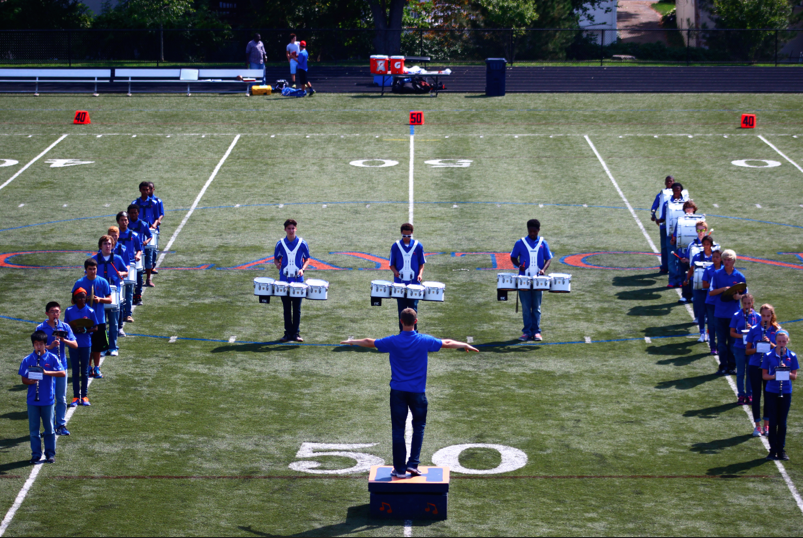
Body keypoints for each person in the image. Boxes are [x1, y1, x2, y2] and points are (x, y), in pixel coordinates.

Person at [341, 308, 478, 478]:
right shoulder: (423, 340)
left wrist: (352, 341)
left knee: (398, 430)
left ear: (400, 321)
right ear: (416, 321)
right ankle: (413, 464)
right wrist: (464, 344)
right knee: (418, 427)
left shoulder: (393, 341)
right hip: (418, 393)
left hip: (398, 392)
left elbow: (370, 341)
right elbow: (447, 343)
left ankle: (399, 469)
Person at [19, 330, 66, 464]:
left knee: (49, 429)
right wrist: (30, 381)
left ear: (45, 344)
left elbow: (62, 373)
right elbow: (24, 379)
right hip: (32, 400)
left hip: (47, 400)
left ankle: (50, 454)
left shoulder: (52, 358)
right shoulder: (27, 359)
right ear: (33, 345)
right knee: (34, 431)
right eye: (36, 344)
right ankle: (35, 454)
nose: (38, 347)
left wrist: (46, 372)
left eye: (41, 344)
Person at [36, 302, 77, 437]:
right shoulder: (41, 328)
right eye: (52, 311)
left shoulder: (64, 327)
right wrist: (49, 346)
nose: (55, 314)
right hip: (46, 368)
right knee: (48, 398)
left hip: (61, 368)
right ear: (47, 313)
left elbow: (75, 344)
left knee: (61, 397)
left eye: (57, 311)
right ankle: (49, 426)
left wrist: (63, 340)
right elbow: (36, 348)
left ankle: (60, 424)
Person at [509, 219, 553, 342]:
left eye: (535, 231)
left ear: (539, 230)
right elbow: (513, 257)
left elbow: (548, 259)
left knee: (537, 307)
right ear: (527, 230)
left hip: (539, 280)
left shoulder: (543, 243)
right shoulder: (520, 243)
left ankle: (536, 332)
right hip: (524, 279)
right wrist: (519, 265)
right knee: (526, 308)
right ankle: (526, 332)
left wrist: (543, 270)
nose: (532, 233)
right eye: (530, 231)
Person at [72, 258, 112, 381]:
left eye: (94, 269)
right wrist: (84, 300)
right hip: (85, 320)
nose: (92, 271)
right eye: (90, 269)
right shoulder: (79, 283)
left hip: (99, 319)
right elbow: (73, 300)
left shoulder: (102, 281)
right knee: (87, 345)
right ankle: (88, 367)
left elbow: (110, 299)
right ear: (86, 269)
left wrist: (99, 299)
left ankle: (97, 367)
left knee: (97, 347)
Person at [709, 249, 746, 376]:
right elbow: (711, 292)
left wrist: (738, 297)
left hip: (734, 315)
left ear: (734, 260)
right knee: (721, 342)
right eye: (724, 259)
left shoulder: (740, 276)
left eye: (729, 259)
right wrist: (723, 289)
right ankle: (723, 365)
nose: (727, 262)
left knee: (732, 342)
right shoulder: (717, 274)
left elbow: (745, 295)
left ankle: (732, 365)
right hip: (719, 313)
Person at [762, 330, 798, 461]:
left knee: (782, 423)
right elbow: (764, 375)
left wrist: (786, 371)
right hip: (771, 391)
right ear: (776, 341)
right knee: (772, 422)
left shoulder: (792, 356)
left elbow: (794, 376)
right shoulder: (768, 355)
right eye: (779, 341)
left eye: (784, 341)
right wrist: (775, 375)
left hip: (786, 391)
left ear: (787, 341)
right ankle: (772, 450)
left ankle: (781, 450)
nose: (781, 344)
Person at [746, 304, 781, 437]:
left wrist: (770, 344)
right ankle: (757, 426)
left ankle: (767, 425)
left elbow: (781, 350)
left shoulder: (777, 330)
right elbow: (747, 350)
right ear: (760, 315)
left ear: (772, 315)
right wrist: (757, 348)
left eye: (768, 316)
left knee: (769, 396)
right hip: (755, 365)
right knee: (756, 395)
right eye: (764, 316)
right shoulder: (754, 329)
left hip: (770, 367)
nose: (766, 318)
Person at [273, 219, 310, 342]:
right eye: (288, 228)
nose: (291, 230)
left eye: (293, 228)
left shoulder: (302, 243)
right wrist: (278, 264)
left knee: (297, 309)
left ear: (296, 229)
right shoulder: (280, 244)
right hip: (284, 280)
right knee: (286, 308)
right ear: (285, 229)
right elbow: (276, 258)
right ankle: (287, 333)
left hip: (298, 280)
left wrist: (302, 269)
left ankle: (296, 333)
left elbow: (307, 259)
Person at [93, 235, 128, 357]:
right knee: (101, 324)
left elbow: (126, 272)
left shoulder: (117, 259)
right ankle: (102, 347)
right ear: (100, 246)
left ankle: (113, 347)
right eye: (105, 244)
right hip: (99, 296)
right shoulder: (94, 259)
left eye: (109, 244)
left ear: (112, 245)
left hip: (114, 294)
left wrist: (121, 273)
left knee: (113, 323)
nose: (107, 246)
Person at [390, 223, 426, 332]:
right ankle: (402, 332)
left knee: (413, 311)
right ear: (401, 234)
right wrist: (395, 272)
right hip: (399, 284)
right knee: (401, 310)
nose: (406, 238)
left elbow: (421, 263)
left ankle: (414, 333)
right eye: (404, 236)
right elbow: (391, 264)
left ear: (412, 234)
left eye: (408, 236)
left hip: (414, 284)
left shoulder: (418, 246)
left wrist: (420, 274)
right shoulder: (395, 246)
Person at [64, 289, 95, 407]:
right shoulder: (69, 311)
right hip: (73, 344)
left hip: (86, 344)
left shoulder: (90, 310)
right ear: (75, 298)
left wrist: (85, 330)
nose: (82, 299)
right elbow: (66, 326)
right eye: (80, 297)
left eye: (84, 297)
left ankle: (85, 396)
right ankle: (76, 396)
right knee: (76, 371)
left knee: (85, 371)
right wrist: (74, 330)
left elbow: (95, 328)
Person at [685, 232, 717, 342]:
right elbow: (691, 269)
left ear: (711, 245)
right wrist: (687, 279)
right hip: (699, 287)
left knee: (711, 313)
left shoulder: (716, 257)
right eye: (704, 244)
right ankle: (702, 333)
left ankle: (709, 333)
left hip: (712, 288)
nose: (706, 246)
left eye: (708, 244)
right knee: (701, 311)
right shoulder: (697, 256)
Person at [657, 182, 689, 289]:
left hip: (682, 235)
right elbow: (663, 218)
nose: (676, 191)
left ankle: (680, 279)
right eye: (674, 189)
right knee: (671, 258)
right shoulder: (667, 203)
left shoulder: (686, 203)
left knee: (681, 258)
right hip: (670, 235)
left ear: (681, 190)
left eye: (678, 189)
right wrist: (658, 220)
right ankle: (672, 280)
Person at [730, 294, 760, 405]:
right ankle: (741, 394)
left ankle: (749, 394)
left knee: (750, 372)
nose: (747, 305)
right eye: (745, 303)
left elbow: (760, 332)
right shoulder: (737, 315)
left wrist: (751, 330)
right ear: (742, 303)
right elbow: (732, 332)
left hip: (752, 349)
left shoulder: (757, 316)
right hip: (739, 348)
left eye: (749, 303)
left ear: (752, 303)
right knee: (740, 373)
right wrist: (742, 335)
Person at [671, 200, 699, 302]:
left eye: (690, 207)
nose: (688, 209)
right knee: (684, 275)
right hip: (683, 251)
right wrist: (673, 239)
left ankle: (693, 295)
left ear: (694, 209)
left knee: (694, 275)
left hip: (695, 252)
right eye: (687, 208)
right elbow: (675, 234)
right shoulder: (680, 220)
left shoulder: (699, 220)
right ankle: (684, 295)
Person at [116, 211, 143, 317]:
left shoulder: (134, 235)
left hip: (129, 265)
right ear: (118, 221)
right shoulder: (113, 235)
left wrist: (138, 255)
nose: (124, 222)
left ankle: (128, 314)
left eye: (126, 220)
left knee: (129, 290)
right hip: (116, 266)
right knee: (117, 290)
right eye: (122, 220)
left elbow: (139, 249)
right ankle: (118, 313)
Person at [132, 184, 159, 286]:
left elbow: (157, 217)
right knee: (137, 258)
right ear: (140, 190)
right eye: (143, 190)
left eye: (147, 190)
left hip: (148, 231)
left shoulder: (154, 203)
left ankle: (148, 279)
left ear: (150, 190)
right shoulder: (135, 203)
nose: (145, 192)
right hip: (138, 234)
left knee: (149, 257)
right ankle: (139, 279)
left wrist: (154, 226)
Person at [650, 175, 675, 274]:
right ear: (665, 183)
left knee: (674, 247)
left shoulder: (678, 194)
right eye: (668, 181)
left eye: (671, 181)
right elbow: (654, 207)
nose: (669, 183)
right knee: (664, 246)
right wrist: (653, 215)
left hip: (674, 226)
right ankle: (665, 266)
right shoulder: (660, 195)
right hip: (664, 225)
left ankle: (674, 267)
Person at [127, 204, 153, 293]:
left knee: (139, 273)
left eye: (135, 213)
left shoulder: (143, 224)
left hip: (139, 251)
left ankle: (138, 293)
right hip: (128, 253)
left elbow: (150, 235)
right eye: (131, 213)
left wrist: (146, 241)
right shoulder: (126, 224)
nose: (133, 215)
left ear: (138, 213)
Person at [702, 248, 722, 355]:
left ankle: (720, 346)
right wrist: (716, 286)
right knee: (712, 325)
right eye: (713, 257)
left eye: (717, 257)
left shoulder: (725, 269)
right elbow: (704, 284)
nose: (715, 259)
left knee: (720, 325)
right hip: (710, 301)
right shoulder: (708, 269)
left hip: (722, 302)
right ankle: (713, 347)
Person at [147, 181, 164, 275]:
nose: (149, 191)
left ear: (153, 189)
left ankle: (152, 266)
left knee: (153, 248)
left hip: (154, 228)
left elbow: (161, 214)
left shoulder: (157, 201)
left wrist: (156, 223)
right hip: (145, 228)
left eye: (150, 188)